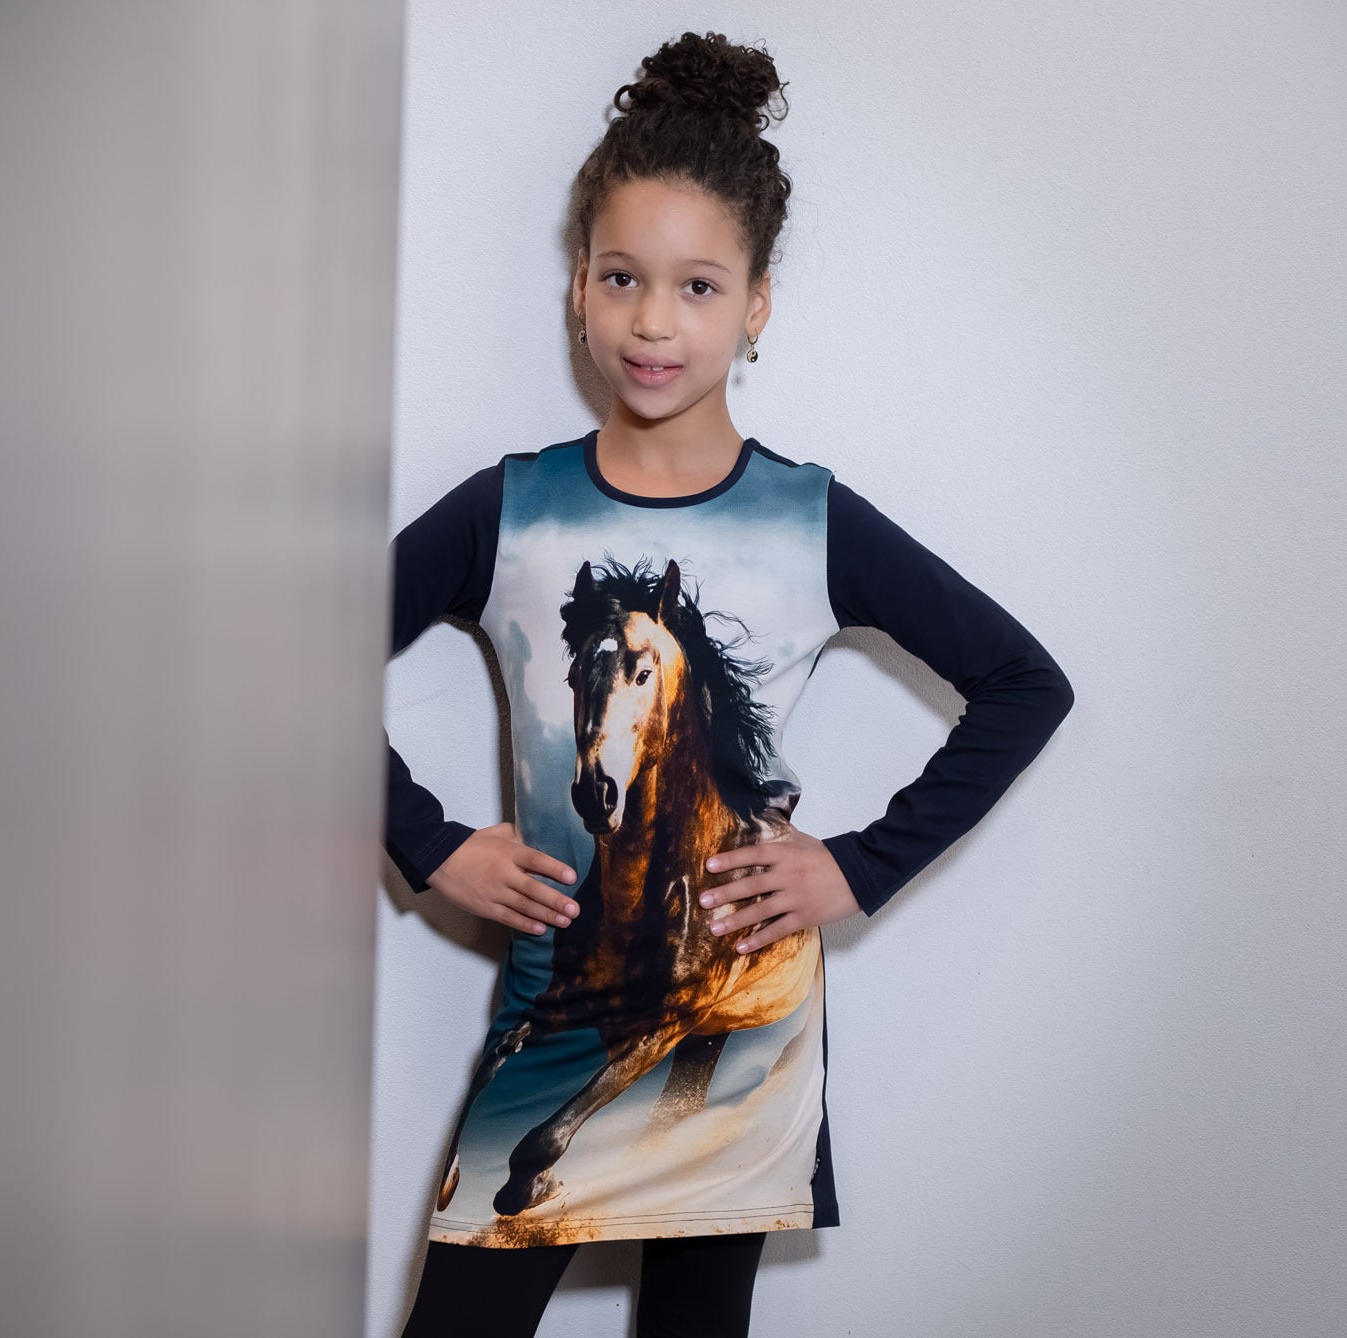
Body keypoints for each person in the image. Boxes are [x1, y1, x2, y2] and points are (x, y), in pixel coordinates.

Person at [384, 30, 1074, 1338]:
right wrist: (429, 845)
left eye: (698, 286)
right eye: (623, 278)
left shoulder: (811, 520)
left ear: (756, 304)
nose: (654, 321)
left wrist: (857, 867)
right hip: (555, 1008)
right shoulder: (507, 510)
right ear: (579, 287)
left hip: (742, 1033)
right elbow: (296, 662)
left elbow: (1024, 683)